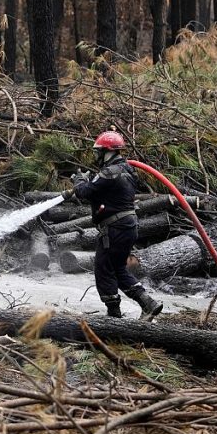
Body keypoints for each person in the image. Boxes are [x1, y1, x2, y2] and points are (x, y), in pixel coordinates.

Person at [61, 130, 163, 321]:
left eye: (99, 151)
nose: (97, 155)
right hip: (128, 226)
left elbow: (86, 192)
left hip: (115, 229)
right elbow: (105, 194)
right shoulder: (127, 170)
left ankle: (113, 315)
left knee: (103, 268)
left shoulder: (109, 172)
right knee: (118, 268)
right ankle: (148, 303)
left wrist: (80, 180)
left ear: (107, 151)